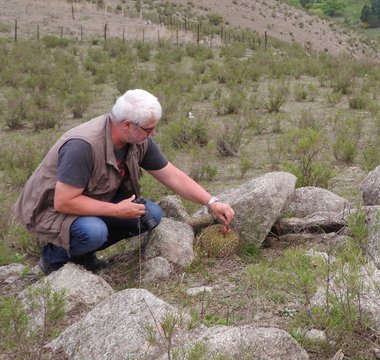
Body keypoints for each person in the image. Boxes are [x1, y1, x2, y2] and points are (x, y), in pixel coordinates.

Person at [14, 89, 234, 275]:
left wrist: (212, 202)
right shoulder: (82, 146)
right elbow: (63, 201)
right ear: (128, 124)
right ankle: (53, 260)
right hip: (51, 210)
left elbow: (172, 175)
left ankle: (83, 255)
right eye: (149, 129)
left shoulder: (138, 140)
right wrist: (116, 211)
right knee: (94, 232)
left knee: (150, 214)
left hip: (93, 200)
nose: (154, 133)